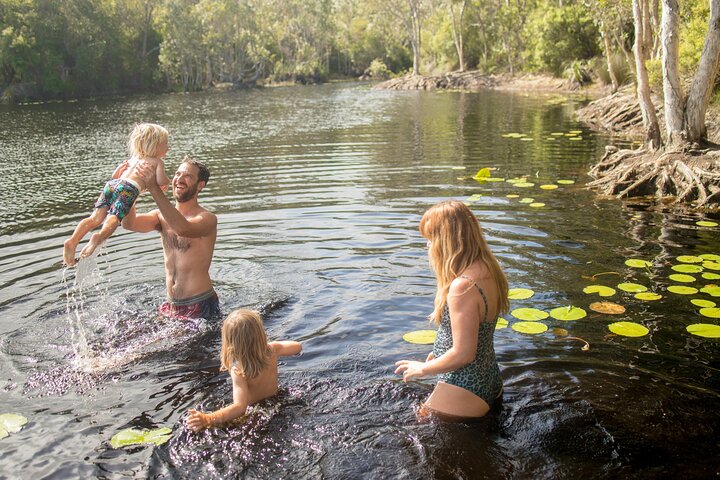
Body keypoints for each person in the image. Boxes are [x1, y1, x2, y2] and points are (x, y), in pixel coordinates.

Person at [395, 200, 509, 419]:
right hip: (489, 378)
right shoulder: (489, 270)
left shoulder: (462, 287)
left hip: (465, 384)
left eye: (430, 239)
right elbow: (475, 334)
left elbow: (464, 353)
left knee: (417, 428)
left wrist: (423, 369)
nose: (428, 247)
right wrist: (439, 355)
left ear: (446, 241)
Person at [121, 155, 220, 320]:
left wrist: (154, 187)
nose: (179, 179)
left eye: (188, 176)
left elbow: (182, 228)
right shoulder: (159, 216)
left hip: (200, 305)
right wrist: (129, 186)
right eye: (177, 174)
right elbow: (129, 223)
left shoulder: (207, 219)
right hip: (171, 305)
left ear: (200, 185)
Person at [63, 123, 171, 266]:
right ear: (155, 145)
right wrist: (168, 181)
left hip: (112, 185)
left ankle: (72, 240)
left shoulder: (133, 159)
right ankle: (98, 238)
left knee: (94, 218)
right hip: (128, 189)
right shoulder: (157, 161)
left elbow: (116, 177)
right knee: (113, 218)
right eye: (165, 144)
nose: (168, 147)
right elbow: (161, 181)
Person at [187, 309, 302, 431]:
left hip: (255, 414)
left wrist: (208, 418)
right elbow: (298, 347)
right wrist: (269, 344)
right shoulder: (273, 350)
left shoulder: (238, 370)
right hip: (278, 402)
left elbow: (240, 407)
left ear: (230, 343)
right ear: (260, 333)